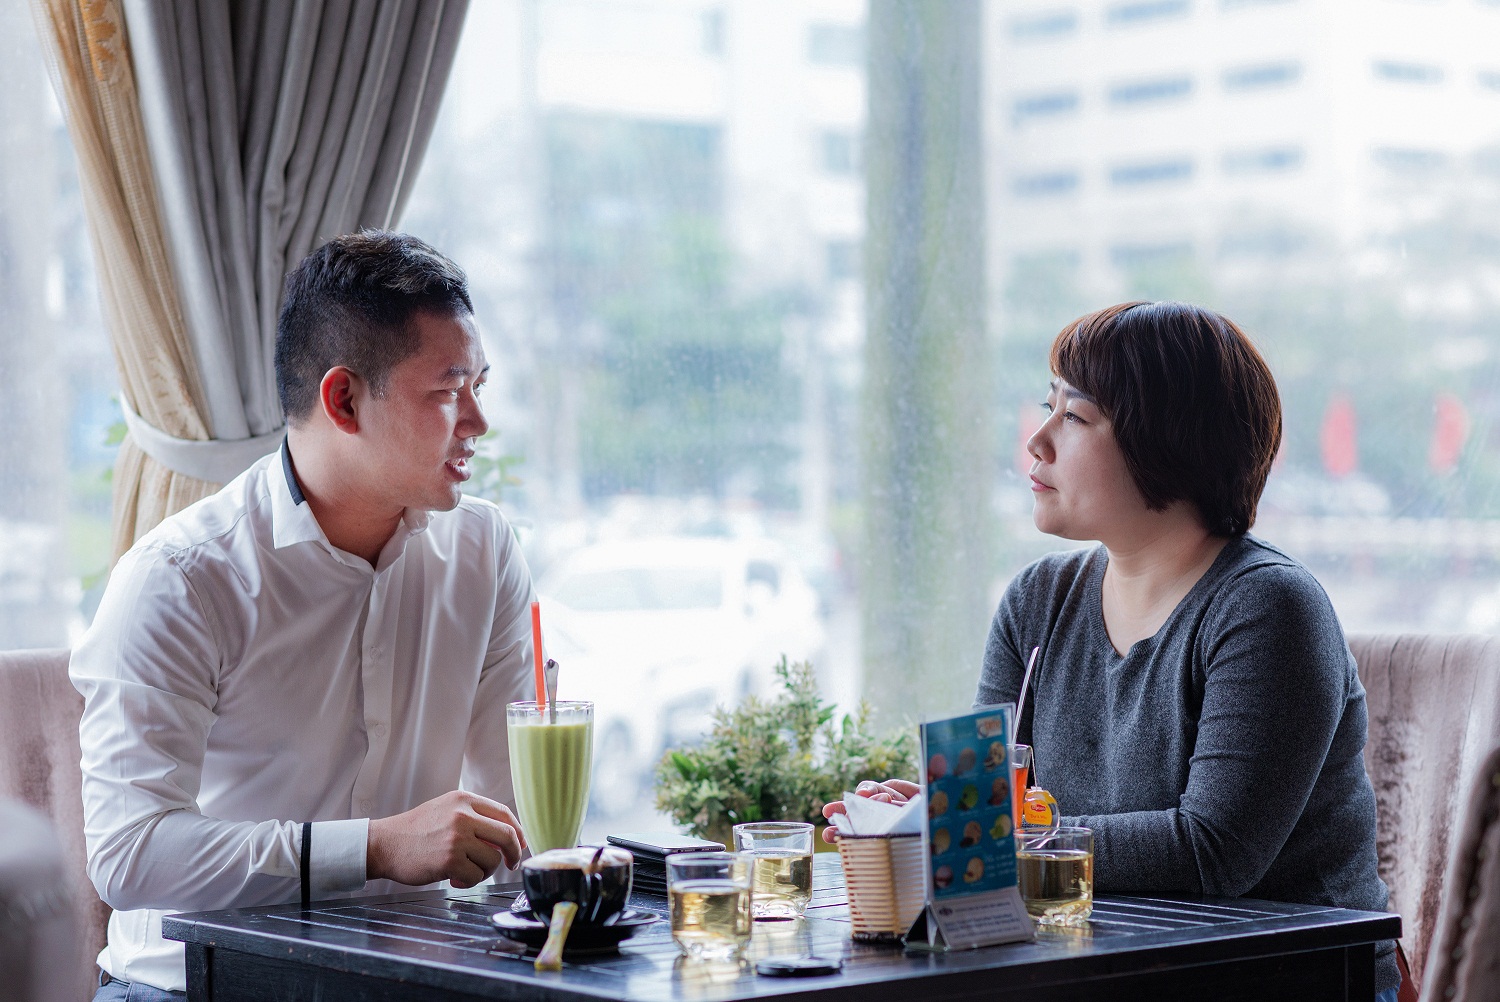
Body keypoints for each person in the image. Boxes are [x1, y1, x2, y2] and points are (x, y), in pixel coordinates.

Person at [827, 302, 1401, 1000]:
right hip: (1094, 967)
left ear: (1169, 441)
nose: (1037, 441)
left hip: (1283, 979)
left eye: (1074, 417)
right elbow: (996, 809)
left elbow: (1213, 850)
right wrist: (938, 819)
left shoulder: (1268, 607)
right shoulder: (1036, 602)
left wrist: (995, 835)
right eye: (1049, 407)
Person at [72, 232, 536, 1000]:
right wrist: (375, 848)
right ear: (343, 399)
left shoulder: (484, 551)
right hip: (192, 987)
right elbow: (130, 855)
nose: (478, 422)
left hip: (400, 980)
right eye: (449, 391)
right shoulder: (182, 578)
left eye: (480, 385)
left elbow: (518, 817)